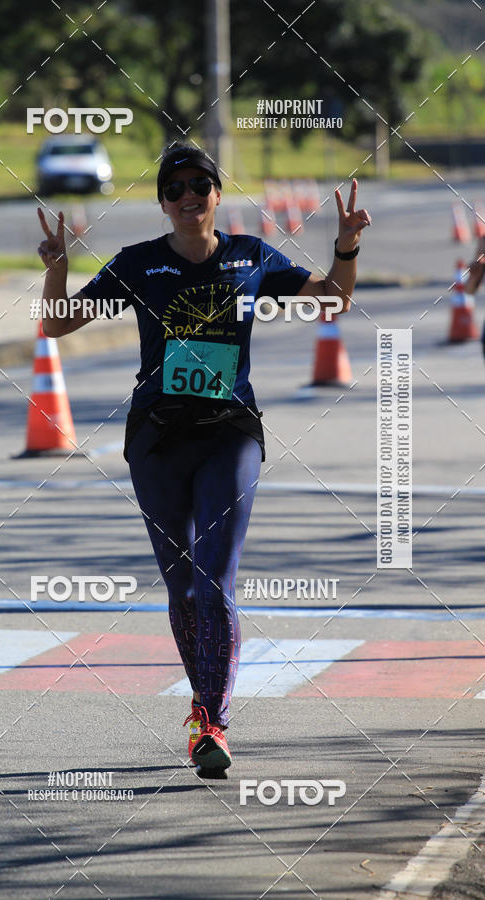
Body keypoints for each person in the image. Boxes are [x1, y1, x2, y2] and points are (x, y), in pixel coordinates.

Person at [37, 142, 371, 772]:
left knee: (215, 578)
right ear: (163, 203)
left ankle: (213, 722)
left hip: (229, 432)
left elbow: (332, 299)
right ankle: (203, 702)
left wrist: (346, 246)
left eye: (199, 185)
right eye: (175, 189)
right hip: (158, 438)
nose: (188, 196)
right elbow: (58, 324)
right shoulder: (138, 263)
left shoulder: (251, 255)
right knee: (183, 587)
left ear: (217, 194)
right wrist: (57, 268)